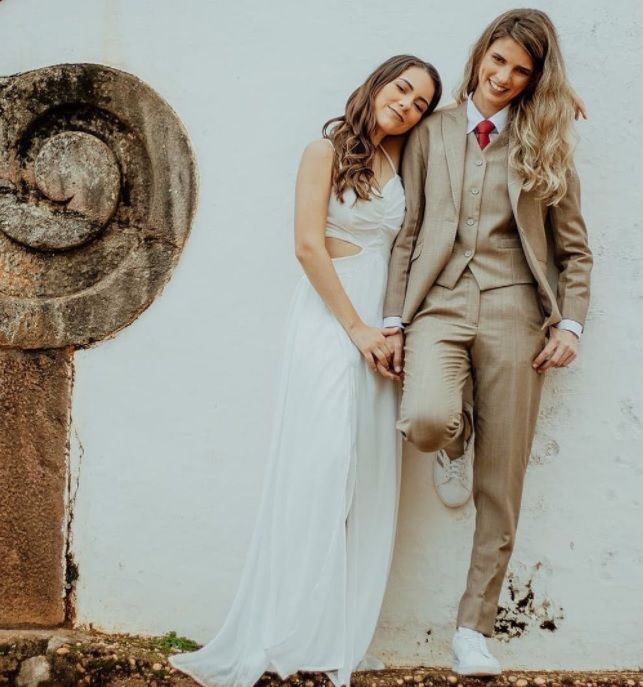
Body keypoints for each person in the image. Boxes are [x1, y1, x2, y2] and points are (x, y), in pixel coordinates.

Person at [169, 55, 442, 687]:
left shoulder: (403, 159)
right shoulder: (322, 152)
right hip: (332, 316)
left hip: (384, 323)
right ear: (378, 84)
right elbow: (307, 246)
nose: (408, 105)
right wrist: (355, 330)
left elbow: (467, 124)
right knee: (320, 464)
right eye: (402, 89)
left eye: (421, 103)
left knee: (365, 471)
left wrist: (543, 101)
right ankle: (285, 628)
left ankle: (335, 634)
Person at [380, 9, 592, 676]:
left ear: (533, 82)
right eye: (496, 61)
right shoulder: (431, 130)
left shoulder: (542, 142)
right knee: (422, 418)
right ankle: (456, 432)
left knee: (501, 481)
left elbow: (574, 249)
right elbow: (408, 230)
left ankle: (472, 627)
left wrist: (571, 322)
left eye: (519, 72)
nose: (502, 78)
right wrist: (392, 318)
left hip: (513, 311)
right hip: (439, 303)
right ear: (479, 55)